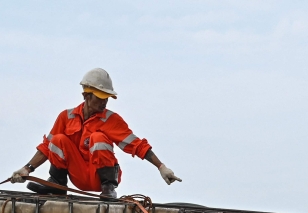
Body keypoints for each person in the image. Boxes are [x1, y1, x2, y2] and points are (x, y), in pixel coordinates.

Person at [10, 68, 181, 199]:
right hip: (78, 176)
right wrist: (27, 169)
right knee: (58, 139)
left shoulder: (111, 120)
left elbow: (137, 145)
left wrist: (161, 167)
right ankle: (57, 185)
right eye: (100, 97)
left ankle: (109, 188)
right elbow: (47, 148)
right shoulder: (66, 117)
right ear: (86, 95)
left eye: (106, 97)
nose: (104, 102)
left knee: (97, 138)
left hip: (99, 178)